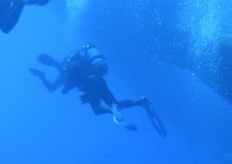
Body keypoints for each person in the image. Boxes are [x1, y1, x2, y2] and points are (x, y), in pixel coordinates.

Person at [29, 44, 167, 137]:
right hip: (99, 80)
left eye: (47, 62)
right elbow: (56, 87)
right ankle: (141, 102)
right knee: (115, 104)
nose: (49, 63)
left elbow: (53, 88)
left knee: (97, 110)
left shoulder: (65, 71)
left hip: (91, 84)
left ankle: (118, 109)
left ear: (50, 62)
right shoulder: (70, 64)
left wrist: (41, 77)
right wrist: (41, 76)